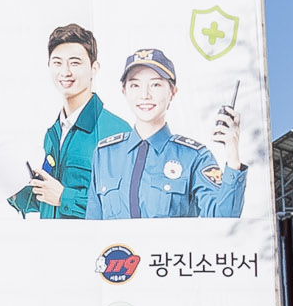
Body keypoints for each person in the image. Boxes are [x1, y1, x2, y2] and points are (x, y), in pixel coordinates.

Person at [88, 48, 246, 220]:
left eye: (155, 84)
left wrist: (233, 157)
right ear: (124, 92)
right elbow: (93, 229)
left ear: (172, 92)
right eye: (135, 85)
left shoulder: (194, 156)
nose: (144, 95)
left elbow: (224, 221)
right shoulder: (104, 155)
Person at [11, 24, 131, 221]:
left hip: (93, 250)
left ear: (94, 68)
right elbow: (47, 201)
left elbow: (123, 207)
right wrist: (13, 191)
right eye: (57, 63)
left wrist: (64, 197)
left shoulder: (116, 133)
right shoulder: (54, 133)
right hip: (52, 247)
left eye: (75, 63)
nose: (65, 72)